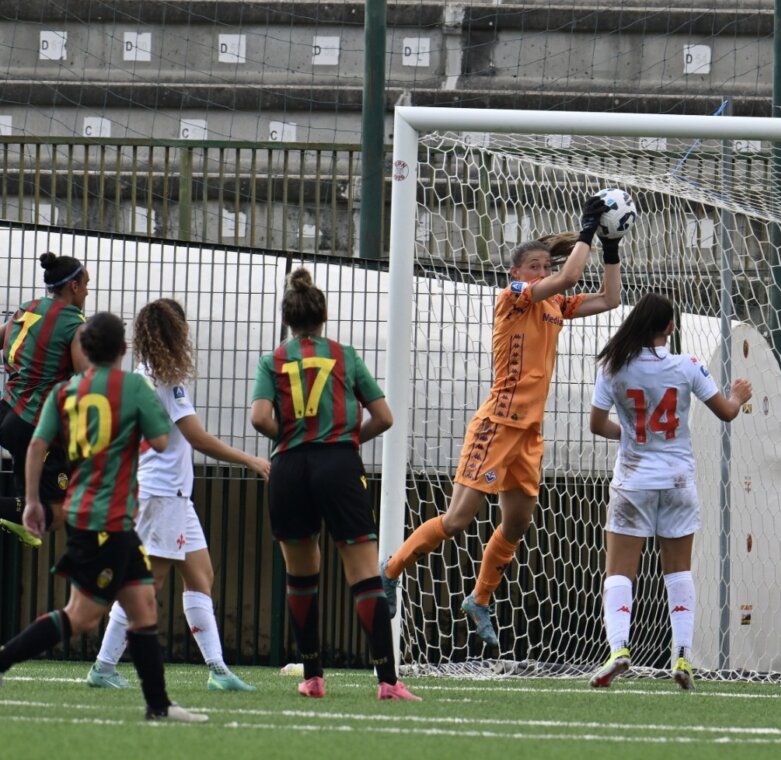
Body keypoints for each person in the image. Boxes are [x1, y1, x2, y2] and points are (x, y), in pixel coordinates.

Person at [381, 195, 623, 648]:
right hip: (497, 423)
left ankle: (479, 599)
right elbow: (570, 274)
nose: (541, 271)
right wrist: (589, 228)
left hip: (528, 433)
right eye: (533, 266)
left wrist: (609, 247)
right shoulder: (512, 299)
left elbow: (611, 298)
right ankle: (389, 571)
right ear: (516, 273)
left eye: (543, 265)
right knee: (457, 521)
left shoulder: (555, 307)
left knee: (516, 524)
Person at [0, 312, 207, 722]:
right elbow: (163, 441)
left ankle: (158, 706)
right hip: (105, 518)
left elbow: (38, 445)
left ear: (84, 350)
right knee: (82, 616)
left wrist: (34, 501)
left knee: (145, 604)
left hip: (91, 513)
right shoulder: (131, 387)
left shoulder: (64, 393)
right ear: (122, 350)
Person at [249, 267, 419, 701]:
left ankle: (312, 678)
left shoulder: (273, 360)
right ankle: (387, 681)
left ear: (287, 319)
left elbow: (259, 417)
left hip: (288, 468)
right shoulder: (346, 355)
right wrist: (345, 438)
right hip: (339, 465)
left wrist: (289, 437)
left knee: (301, 575)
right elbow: (384, 416)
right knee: (362, 573)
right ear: (324, 316)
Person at [87, 299, 269, 691]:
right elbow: (196, 436)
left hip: (171, 495)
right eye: (182, 329)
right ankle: (103, 666)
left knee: (201, 575)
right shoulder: (164, 379)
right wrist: (250, 460)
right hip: (161, 495)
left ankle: (218, 671)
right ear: (174, 332)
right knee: (147, 586)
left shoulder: (141, 374)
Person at [584, 292, 752, 690]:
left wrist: (631, 438)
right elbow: (727, 412)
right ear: (670, 328)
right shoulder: (688, 365)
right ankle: (682, 654)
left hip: (634, 480)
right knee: (678, 571)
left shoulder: (613, 367)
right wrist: (739, 396)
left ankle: (619, 649)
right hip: (678, 481)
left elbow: (596, 425)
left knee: (619, 572)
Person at [0, 252, 90, 546]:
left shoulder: (28, 308)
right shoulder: (73, 323)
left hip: (8, 411)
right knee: (59, 510)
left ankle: (21, 521)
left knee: (31, 498)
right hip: (34, 424)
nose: (88, 291)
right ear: (74, 286)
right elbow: (87, 375)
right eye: (87, 284)